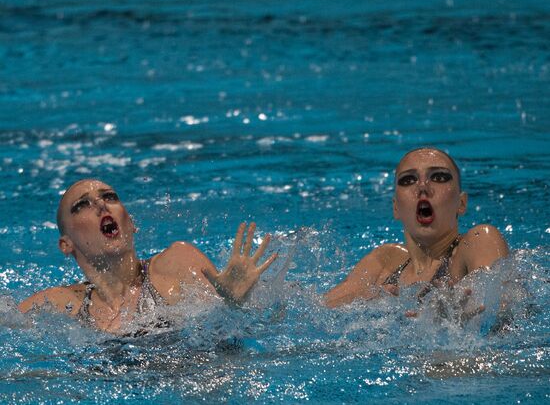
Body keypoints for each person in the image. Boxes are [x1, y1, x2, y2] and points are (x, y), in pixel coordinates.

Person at [18, 179, 277, 335]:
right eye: (82, 205)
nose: (101, 205)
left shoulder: (175, 264)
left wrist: (232, 306)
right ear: (66, 245)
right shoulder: (63, 304)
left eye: (109, 197)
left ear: (130, 223)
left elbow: (227, 338)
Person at [325, 147, 509, 308]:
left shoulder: (478, 241)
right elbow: (314, 310)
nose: (422, 186)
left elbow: (503, 313)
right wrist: (368, 303)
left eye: (438, 177)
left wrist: (459, 322)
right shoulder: (386, 262)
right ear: (396, 208)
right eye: (408, 180)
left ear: (461, 203)